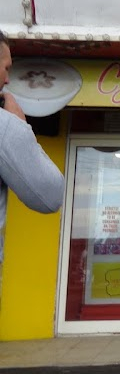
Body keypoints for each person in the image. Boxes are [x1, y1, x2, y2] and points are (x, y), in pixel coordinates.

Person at [0, 31, 65, 274]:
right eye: (6, 68)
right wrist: (19, 126)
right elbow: (49, 194)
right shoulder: (4, 126)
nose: (7, 80)